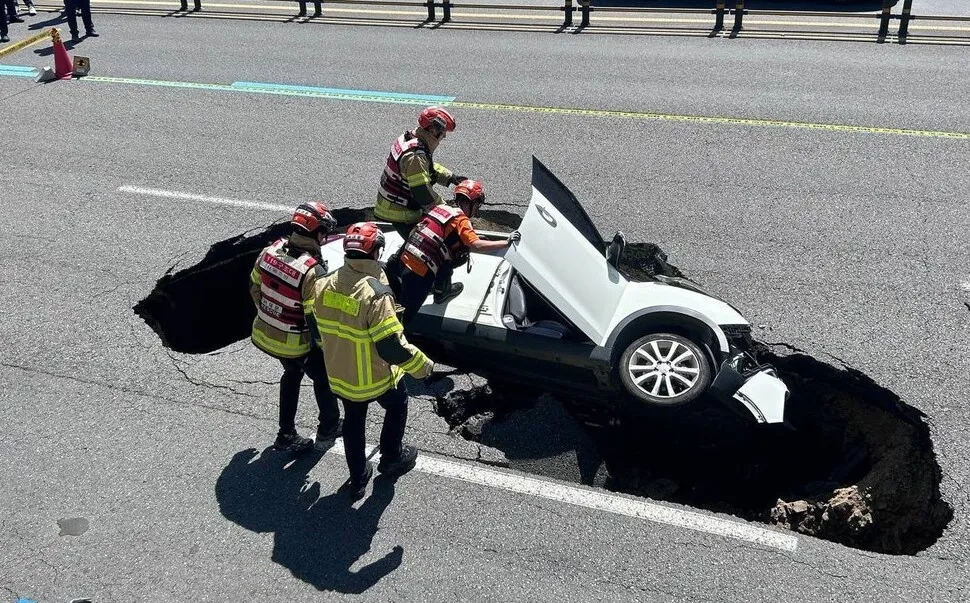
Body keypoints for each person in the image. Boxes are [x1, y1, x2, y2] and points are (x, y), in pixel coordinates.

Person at [307, 222, 434, 500]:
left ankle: (358, 478)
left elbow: (314, 327)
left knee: (353, 419)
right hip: (374, 378)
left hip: (340, 375)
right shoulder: (375, 294)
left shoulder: (323, 284)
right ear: (375, 252)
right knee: (398, 404)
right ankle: (391, 457)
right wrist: (423, 366)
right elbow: (391, 347)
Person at [249, 201, 342, 453]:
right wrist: (325, 346)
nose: (325, 236)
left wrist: (271, 314)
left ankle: (286, 434)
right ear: (316, 232)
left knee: (292, 374)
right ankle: (329, 426)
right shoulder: (311, 271)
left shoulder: (271, 250)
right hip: (292, 342)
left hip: (265, 332)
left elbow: (254, 285)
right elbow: (314, 317)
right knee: (323, 377)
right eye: (324, 231)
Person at [398, 180, 520, 325]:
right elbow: (475, 244)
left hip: (406, 258)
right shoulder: (462, 220)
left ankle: (440, 289)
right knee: (405, 316)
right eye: (477, 205)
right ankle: (395, 340)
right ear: (474, 204)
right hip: (421, 271)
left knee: (403, 297)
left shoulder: (441, 208)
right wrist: (506, 242)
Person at [375, 106, 466, 299]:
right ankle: (442, 289)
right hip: (401, 212)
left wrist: (451, 178)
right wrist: (446, 212)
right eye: (443, 134)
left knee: (412, 241)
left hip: (392, 206)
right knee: (437, 244)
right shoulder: (416, 154)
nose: (443, 138)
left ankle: (391, 270)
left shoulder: (412, 140)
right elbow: (421, 192)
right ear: (434, 130)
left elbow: (427, 169)